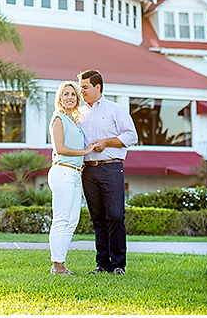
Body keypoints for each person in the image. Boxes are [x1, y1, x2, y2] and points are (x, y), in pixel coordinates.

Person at [78, 68, 138, 276]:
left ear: (97, 87)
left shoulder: (115, 109)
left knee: (115, 215)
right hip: (88, 170)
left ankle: (118, 264)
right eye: (80, 87)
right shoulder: (79, 113)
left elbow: (131, 136)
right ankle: (102, 264)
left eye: (84, 87)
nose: (81, 91)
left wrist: (107, 142)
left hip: (111, 166)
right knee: (98, 218)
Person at [48, 81, 93, 275]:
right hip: (63, 172)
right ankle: (57, 265)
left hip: (75, 174)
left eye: (73, 94)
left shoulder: (74, 120)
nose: (69, 97)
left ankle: (60, 264)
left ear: (77, 99)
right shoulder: (58, 118)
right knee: (61, 219)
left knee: (73, 220)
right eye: (66, 94)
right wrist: (85, 151)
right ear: (60, 98)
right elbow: (61, 148)